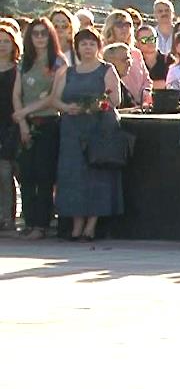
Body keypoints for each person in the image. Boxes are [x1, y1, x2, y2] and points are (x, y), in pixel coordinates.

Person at [47, 28, 124, 241]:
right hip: (72, 130)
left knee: (96, 175)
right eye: (83, 44)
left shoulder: (107, 69)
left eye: (91, 44)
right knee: (73, 175)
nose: (87, 48)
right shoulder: (68, 72)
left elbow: (115, 100)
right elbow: (54, 99)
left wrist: (96, 106)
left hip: (99, 128)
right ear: (77, 48)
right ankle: (76, 223)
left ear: (98, 47)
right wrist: (67, 107)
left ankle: (91, 225)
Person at [10, 18, 65, 239]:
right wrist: (23, 122)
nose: (40, 38)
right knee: (26, 174)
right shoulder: (24, 62)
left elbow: (54, 97)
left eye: (44, 33)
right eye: (36, 33)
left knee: (44, 174)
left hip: (48, 122)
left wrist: (25, 111)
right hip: (26, 124)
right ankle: (30, 221)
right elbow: (17, 94)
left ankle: (41, 224)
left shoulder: (58, 62)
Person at [101, 9, 151, 107]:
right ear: (110, 27)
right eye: (119, 25)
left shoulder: (136, 53)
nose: (124, 28)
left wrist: (145, 97)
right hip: (116, 104)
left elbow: (147, 81)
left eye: (127, 24)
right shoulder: (102, 52)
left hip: (139, 106)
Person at [0, 24, 18, 230]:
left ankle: (8, 218)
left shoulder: (18, 71)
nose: (2, 45)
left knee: (6, 172)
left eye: (6, 41)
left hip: (12, 125)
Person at [135, 24, 171, 90]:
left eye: (152, 38)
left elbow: (172, 83)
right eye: (144, 40)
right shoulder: (134, 63)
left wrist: (144, 86)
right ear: (137, 43)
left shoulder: (169, 60)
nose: (149, 42)